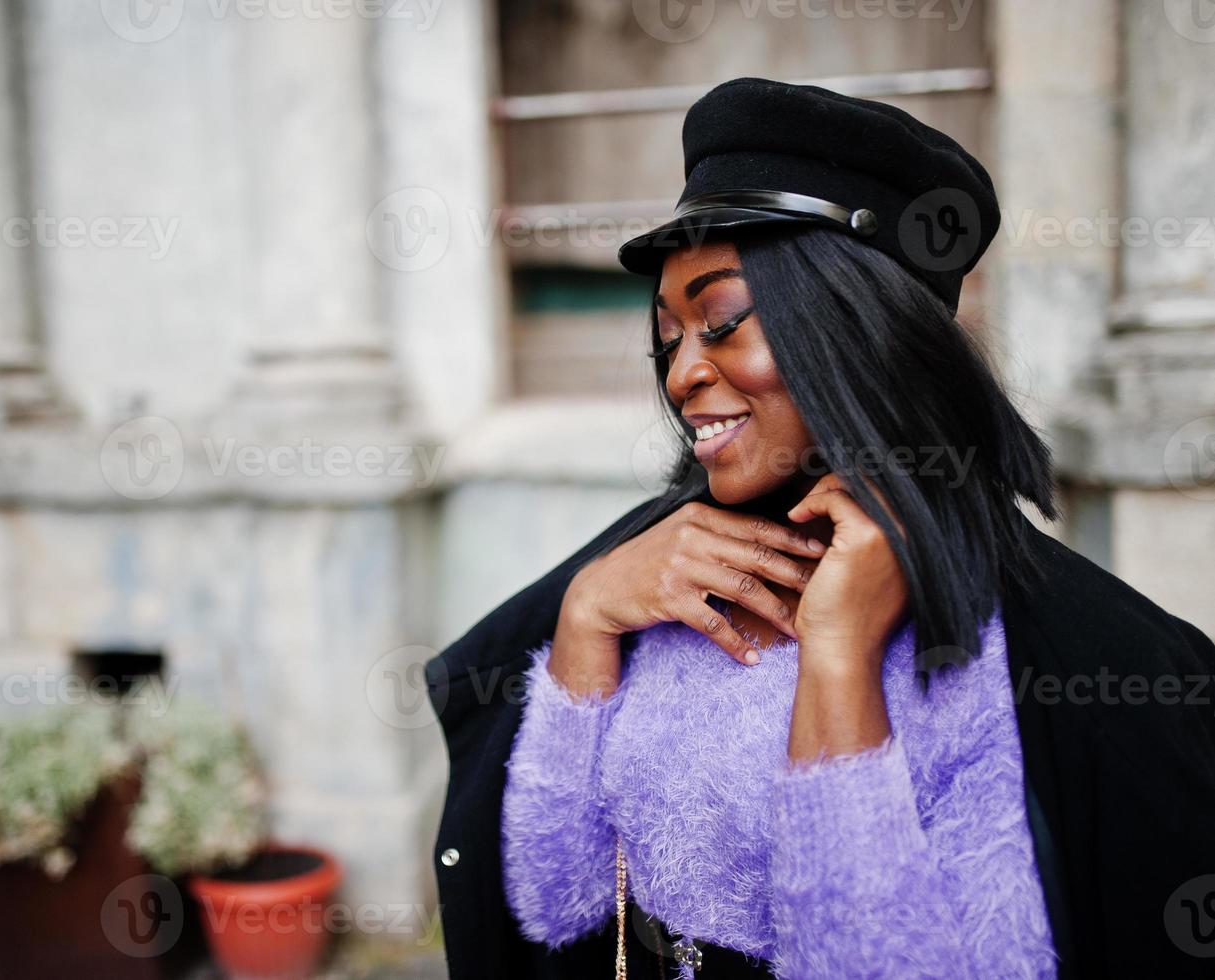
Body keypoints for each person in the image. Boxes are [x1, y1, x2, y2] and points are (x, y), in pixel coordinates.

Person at [426, 78, 1215, 980]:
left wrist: (839, 664)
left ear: (854, 327)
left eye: (720, 321)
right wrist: (581, 622)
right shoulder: (654, 566)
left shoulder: (1100, 671)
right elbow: (552, 902)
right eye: (667, 335)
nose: (683, 372)